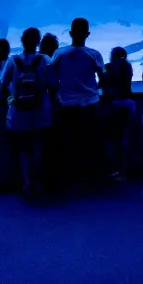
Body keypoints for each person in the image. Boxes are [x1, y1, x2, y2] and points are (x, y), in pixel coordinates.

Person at [1, 27, 54, 197]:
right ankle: (37, 183)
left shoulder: (12, 61)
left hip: (19, 111)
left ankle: (26, 183)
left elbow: (3, 86)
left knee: (23, 149)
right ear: (38, 41)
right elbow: (53, 84)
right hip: (41, 110)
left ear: (22, 41)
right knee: (37, 147)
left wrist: (11, 99)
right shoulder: (45, 59)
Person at [50, 19, 105, 182]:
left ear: (70, 33)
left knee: (69, 143)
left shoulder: (59, 54)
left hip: (67, 105)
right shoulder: (94, 54)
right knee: (91, 143)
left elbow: (53, 81)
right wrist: (95, 90)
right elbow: (103, 78)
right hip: (90, 104)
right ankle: (92, 178)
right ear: (88, 34)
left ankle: (69, 178)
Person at [101, 46, 136, 181]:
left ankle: (112, 169)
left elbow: (102, 85)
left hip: (112, 104)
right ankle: (122, 172)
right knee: (125, 137)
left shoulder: (108, 67)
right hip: (128, 102)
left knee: (110, 138)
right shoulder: (128, 66)